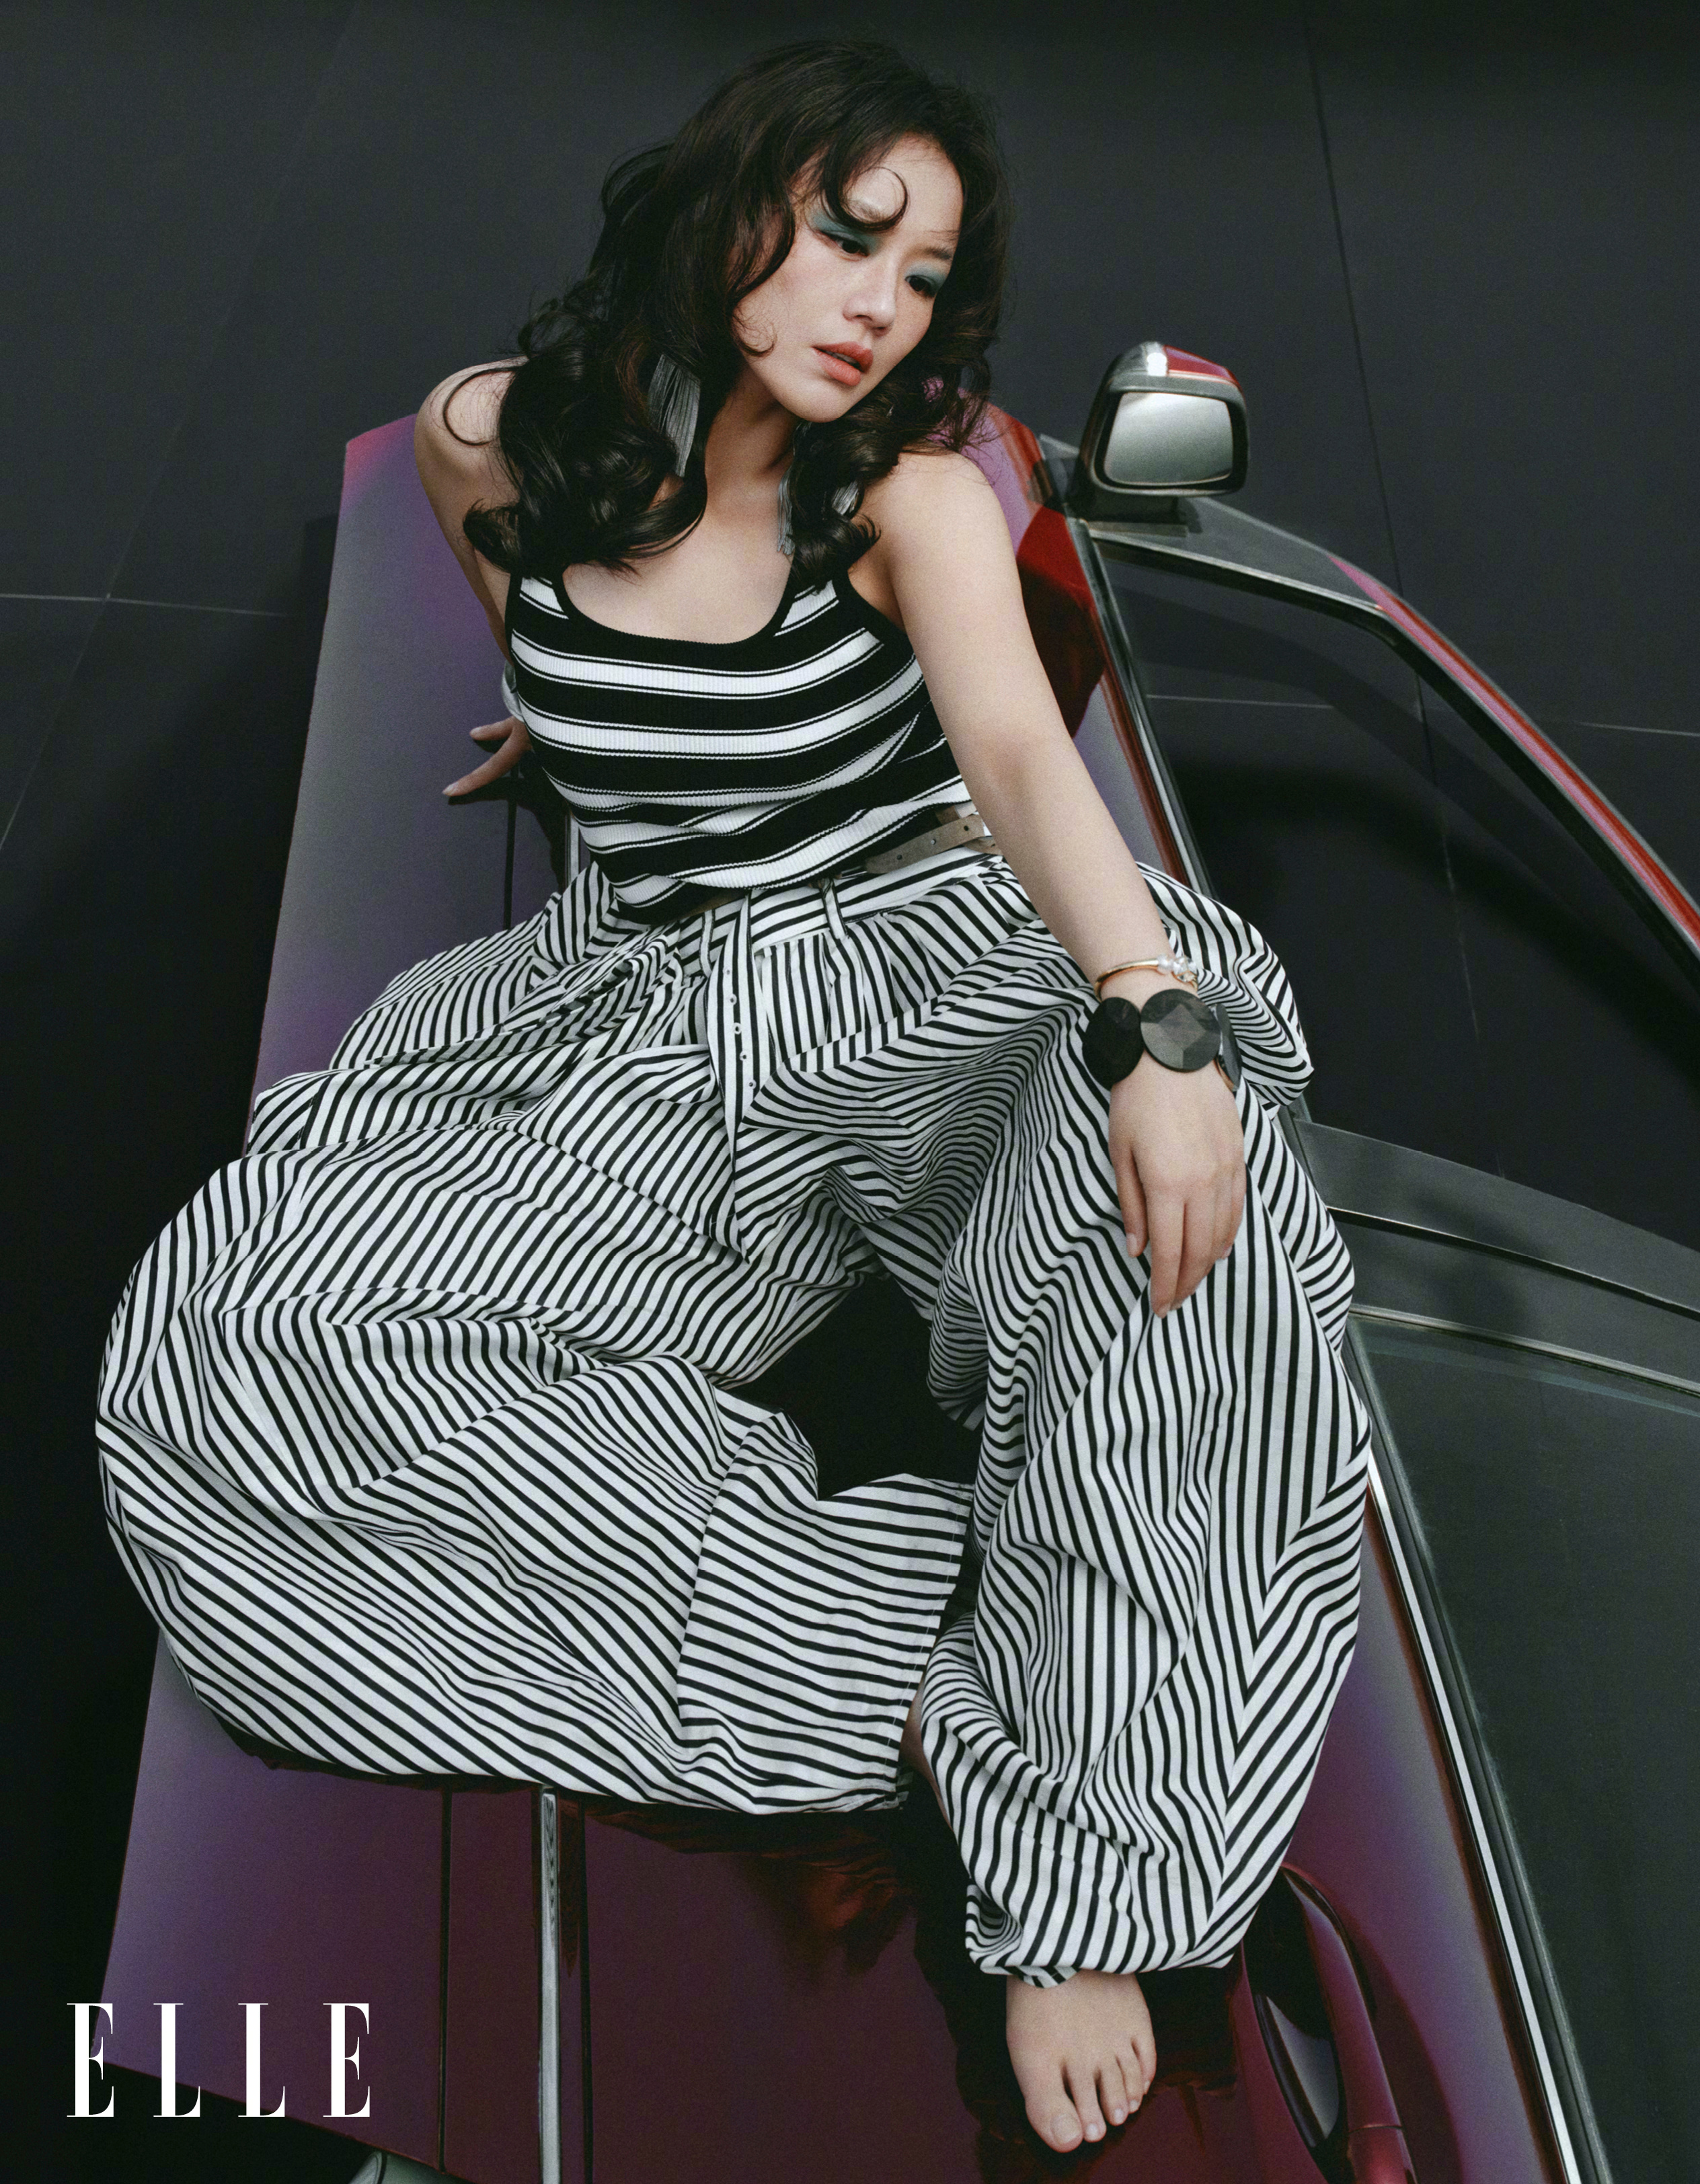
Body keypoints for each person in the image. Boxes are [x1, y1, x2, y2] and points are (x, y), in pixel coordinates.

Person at [98, 38, 1369, 2156]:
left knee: (1196, 1257)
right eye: (850, 234)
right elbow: (527, 598)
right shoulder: (495, 439)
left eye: (924, 275)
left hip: (935, 967)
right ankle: (969, 1661)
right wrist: (590, 730)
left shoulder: (911, 500)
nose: (881, 304)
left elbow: (1017, 756)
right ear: (730, 199)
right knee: (230, 1354)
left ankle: (1094, 1866)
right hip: (655, 1018)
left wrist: (1146, 1019)